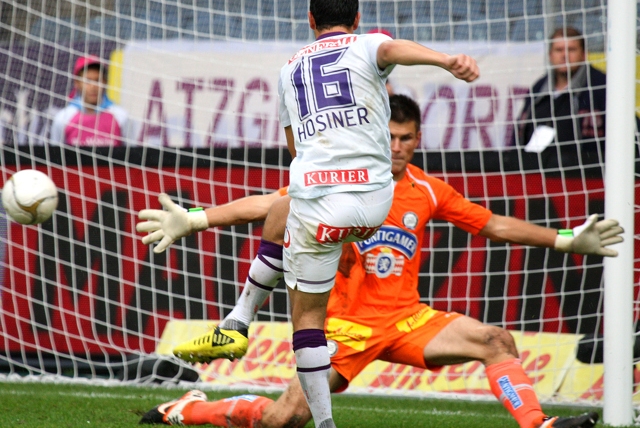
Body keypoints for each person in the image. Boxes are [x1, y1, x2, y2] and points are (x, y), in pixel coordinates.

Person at [137, 95, 622, 428]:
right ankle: (191, 408)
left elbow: (492, 224)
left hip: (407, 320)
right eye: (388, 136)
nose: (395, 147)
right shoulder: (342, 179)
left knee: (495, 340)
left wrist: (565, 241)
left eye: (405, 138)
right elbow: (268, 205)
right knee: (280, 420)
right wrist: (197, 219)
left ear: (417, 140)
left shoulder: (429, 190)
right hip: (343, 330)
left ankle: (537, 423)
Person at [141, 0, 476, 428]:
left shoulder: (288, 72)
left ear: (310, 20)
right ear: (357, 20)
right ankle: (239, 327)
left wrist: (198, 218)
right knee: (289, 208)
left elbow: (294, 150)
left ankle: (242, 327)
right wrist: (445, 61)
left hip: (319, 210)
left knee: (307, 314)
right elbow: (393, 50)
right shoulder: (368, 44)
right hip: (377, 200)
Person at [518, 27, 606, 157]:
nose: (564, 55)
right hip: (538, 173)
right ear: (550, 55)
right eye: (559, 50)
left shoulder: (602, 86)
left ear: (584, 54)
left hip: (590, 174)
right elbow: (519, 135)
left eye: (571, 49)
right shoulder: (538, 89)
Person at [49, 54, 128, 146]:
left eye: (97, 80)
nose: (93, 86)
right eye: (88, 81)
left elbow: (132, 155)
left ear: (105, 82)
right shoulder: (63, 118)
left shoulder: (121, 116)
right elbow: (55, 156)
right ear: (77, 83)